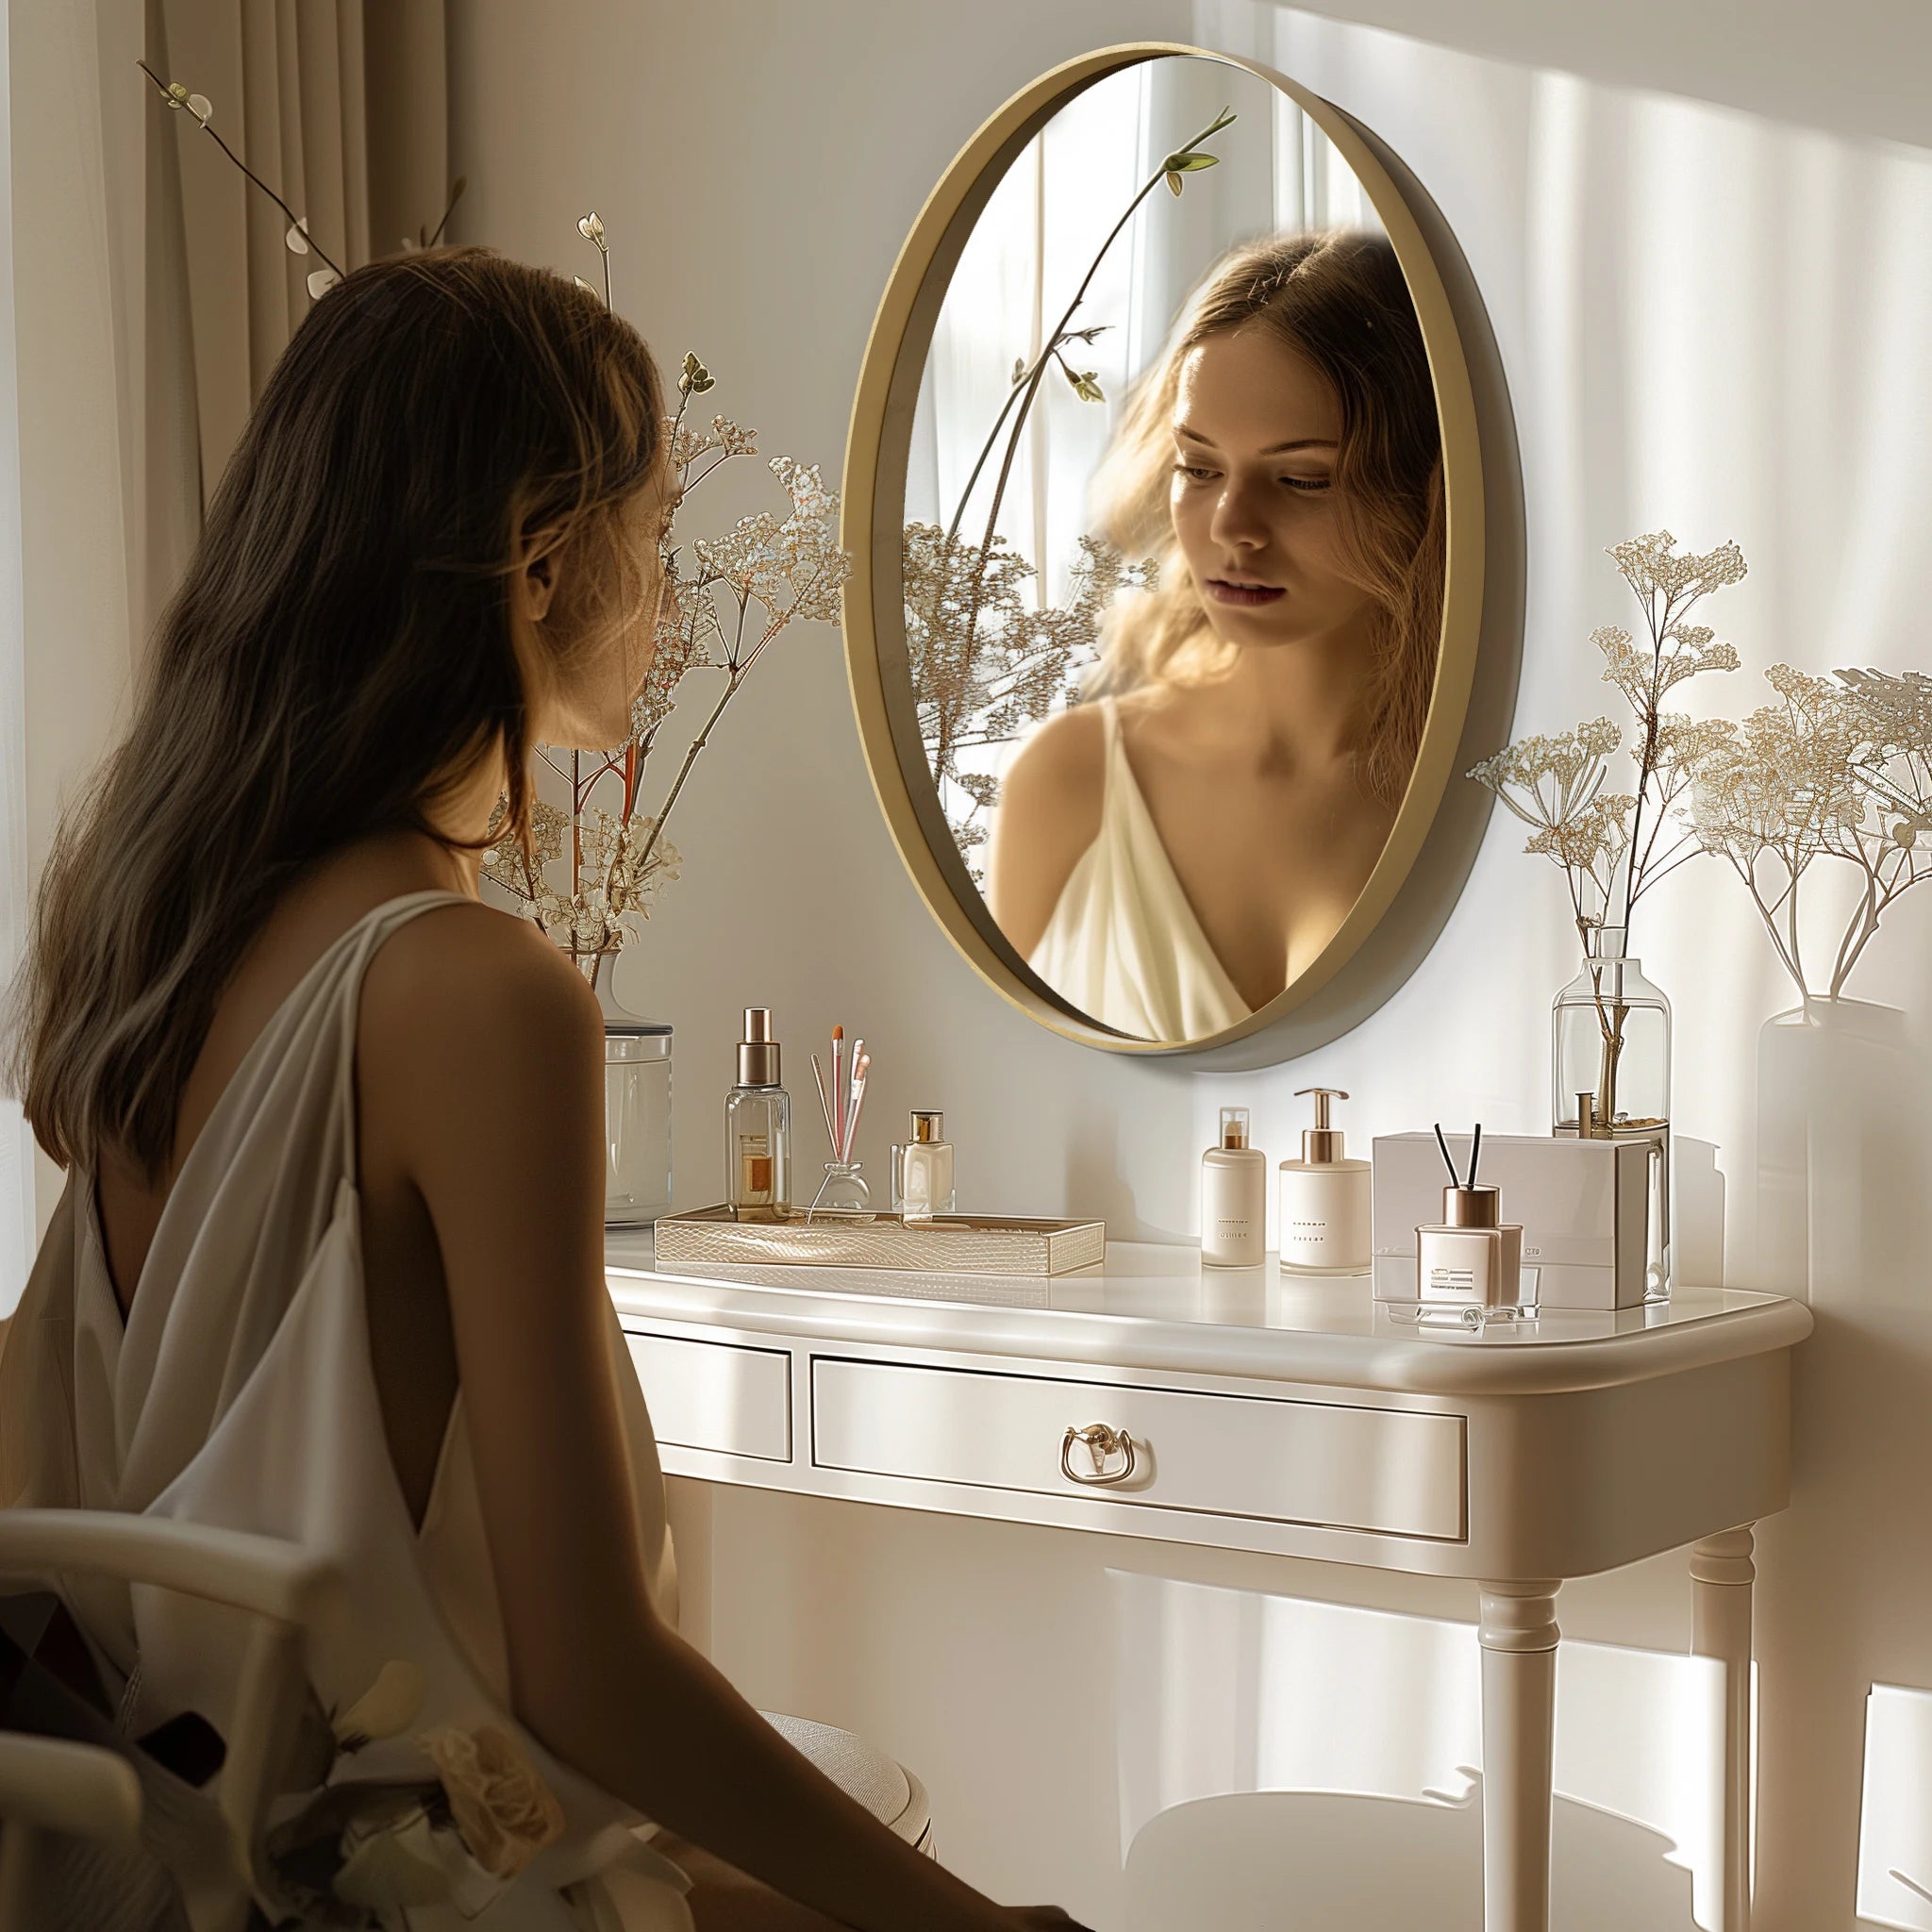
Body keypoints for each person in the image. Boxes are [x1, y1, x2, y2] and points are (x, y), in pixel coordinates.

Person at [0, 246, 1092, 1932]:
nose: (669, 585)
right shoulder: (473, 993)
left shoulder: (146, 935)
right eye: (652, 529)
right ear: (536, 562)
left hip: (166, 1860)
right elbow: (593, 1675)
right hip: (400, 1892)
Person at [988, 230, 1444, 1041]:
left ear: (1421, 493)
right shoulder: (1069, 784)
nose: (1233, 526)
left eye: (1301, 479)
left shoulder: (1485, 792)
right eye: (1198, 469)